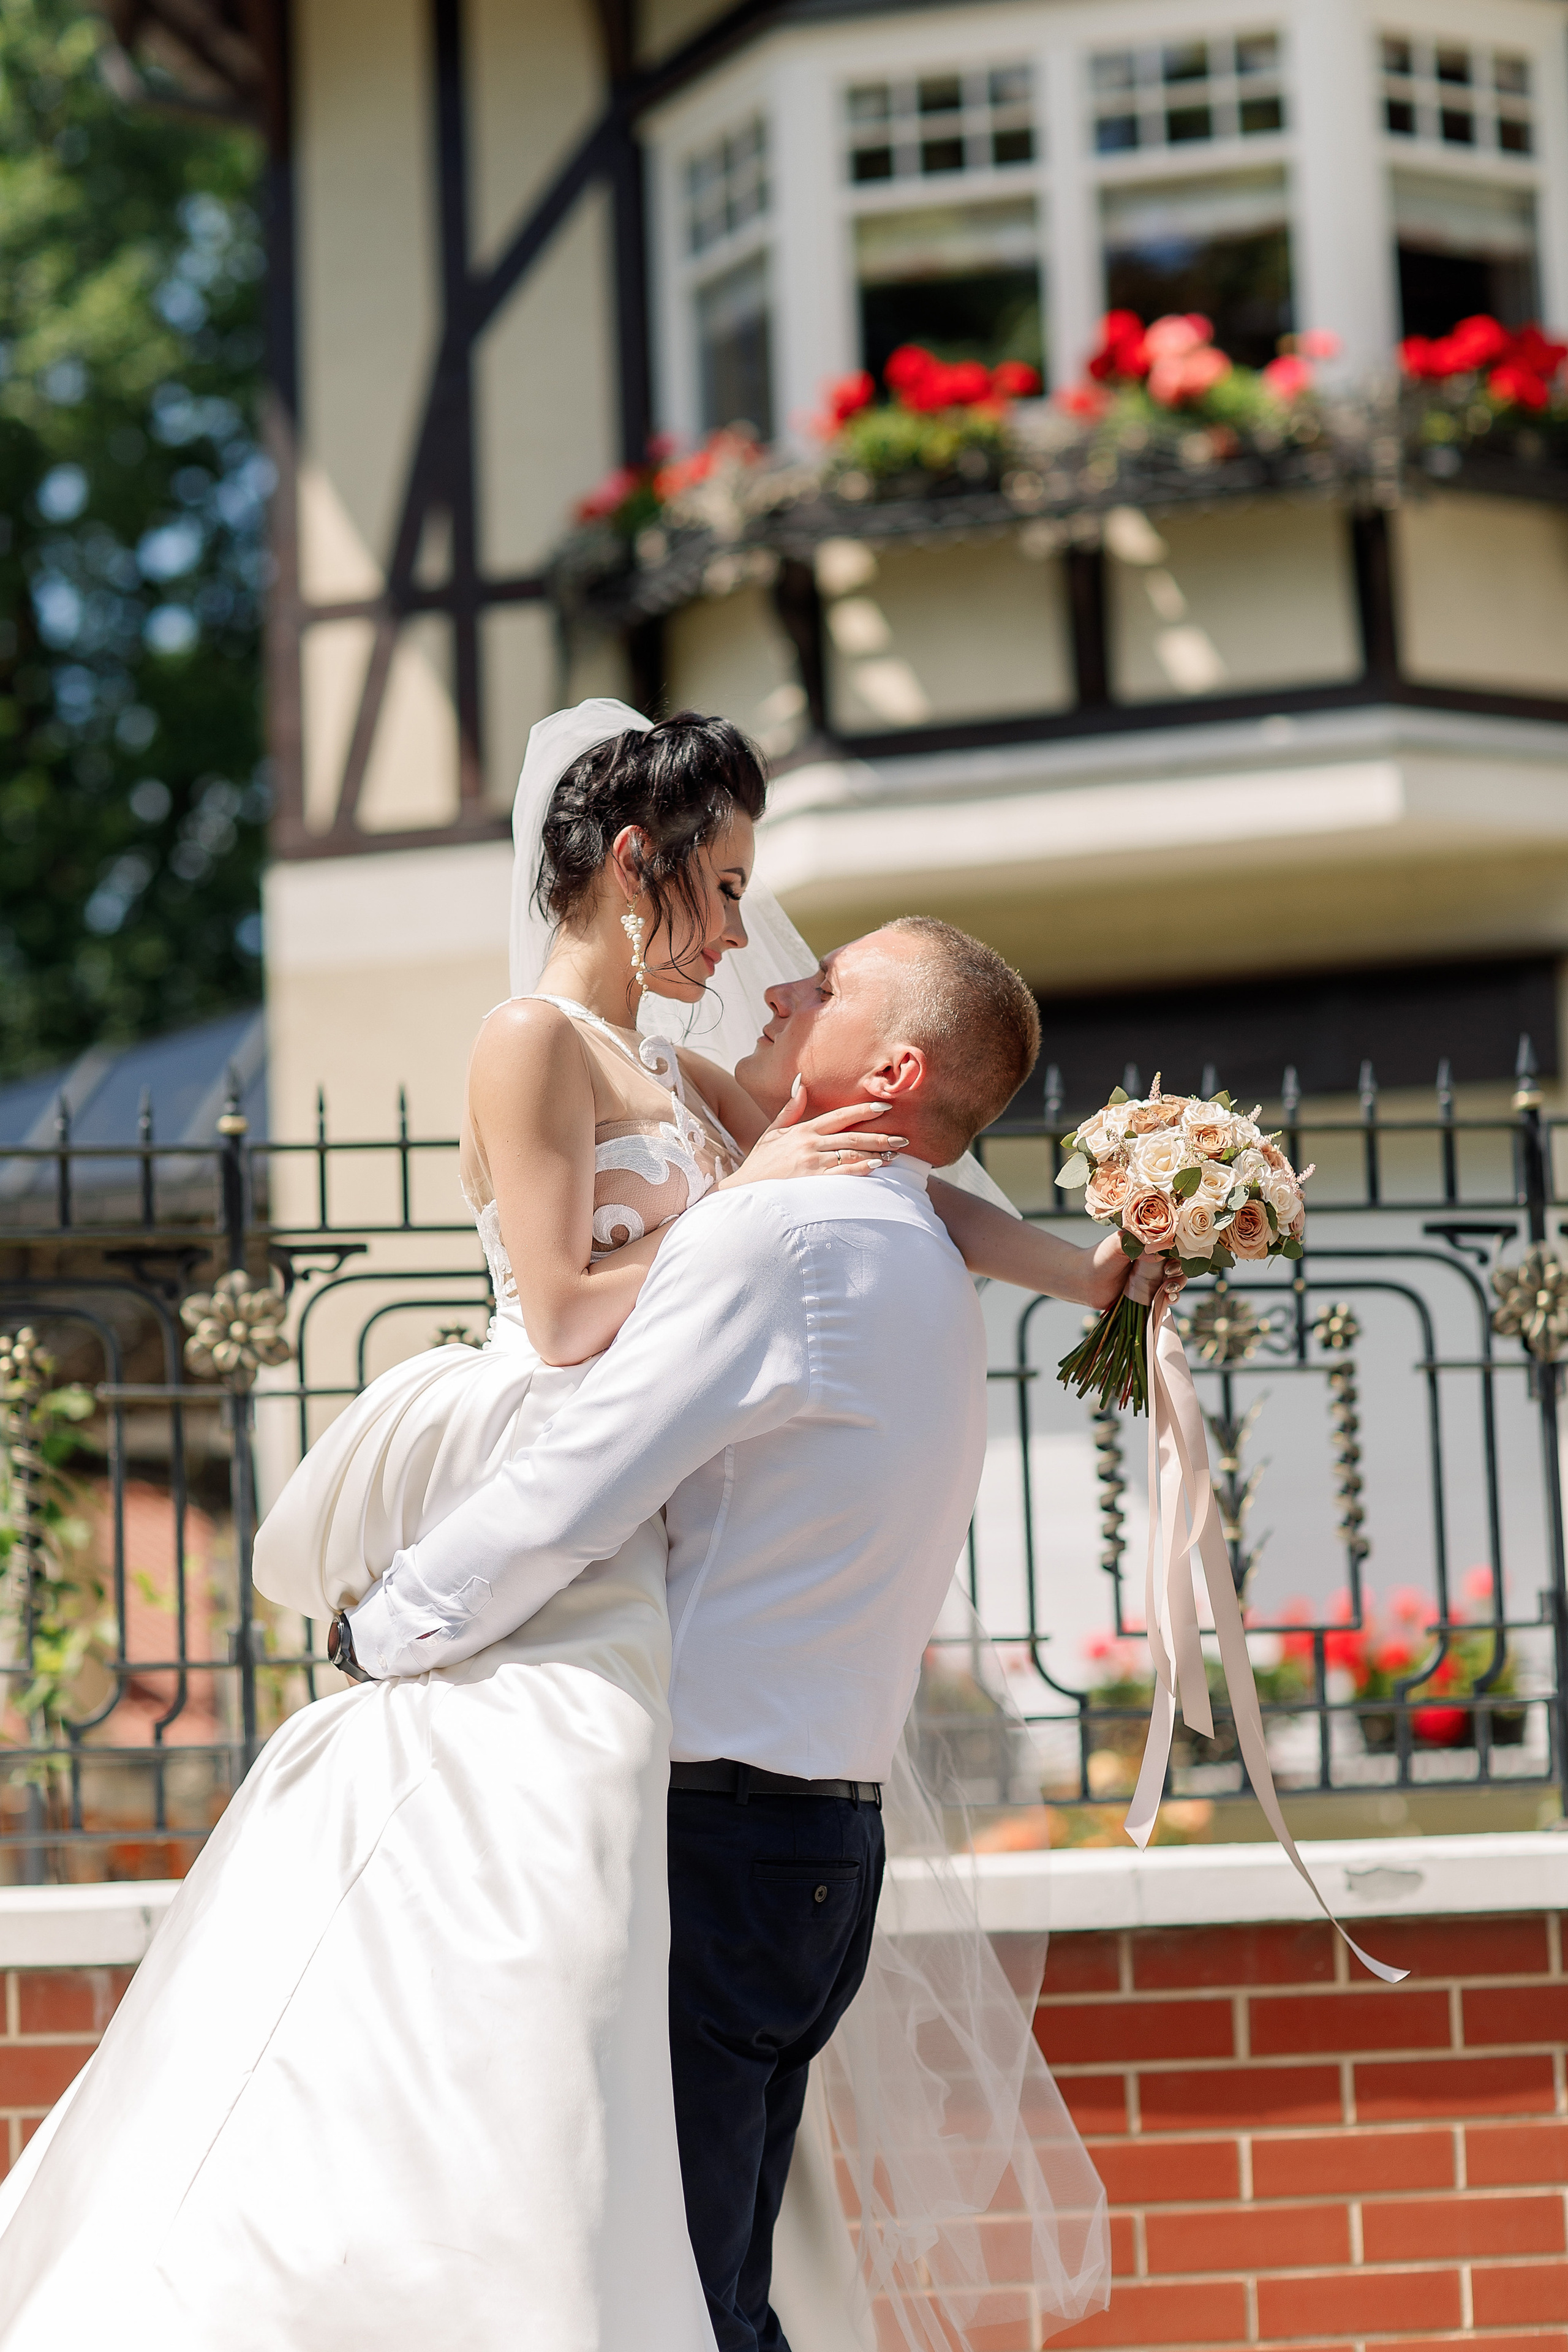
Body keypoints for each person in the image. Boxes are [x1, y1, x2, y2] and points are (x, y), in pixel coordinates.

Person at [0, 702, 1169, 2352]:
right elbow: (561, 1316)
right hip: (566, 1447)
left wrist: (1082, 1271)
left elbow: (893, 1178)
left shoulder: (681, 1068)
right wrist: (751, 1212)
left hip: (646, 1522)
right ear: (642, 867)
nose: (759, 935)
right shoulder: (531, 1042)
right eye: (733, 881)